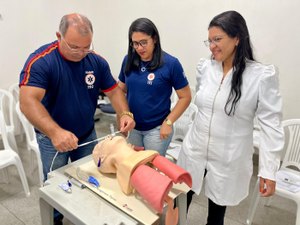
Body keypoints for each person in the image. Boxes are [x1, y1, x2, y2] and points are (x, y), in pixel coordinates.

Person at [19, 13, 135, 225]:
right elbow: (28, 102)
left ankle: (87, 216)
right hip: (52, 140)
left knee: (91, 178)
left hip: (86, 133)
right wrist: (55, 132)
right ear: (58, 36)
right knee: (56, 186)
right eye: (74, 47)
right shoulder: (42, 61)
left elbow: (115, 92)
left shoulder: (96, 61)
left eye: (86, 47)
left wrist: (124, 113)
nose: (81, 53)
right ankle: (55, 219)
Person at [177, 10, 284, 225]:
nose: (212, 46)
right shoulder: (206, 68)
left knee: (216, 213)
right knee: (180, 201)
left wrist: (268, 170)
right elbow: (204, 105)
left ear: (237, 38)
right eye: (209, 40)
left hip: (227, 157)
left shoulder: (259, 77)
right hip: (195, 149)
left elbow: (271, 125)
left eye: (218, 39)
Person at [118, 18, 192, 156]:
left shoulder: (171, 64)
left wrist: (169, 122)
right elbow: (120, 91)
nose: (139, 48)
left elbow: (185, 97)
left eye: (144, 42)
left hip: (157, 130)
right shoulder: (128, 60)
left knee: (152, 171)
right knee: (133, 166)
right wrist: (123, 116)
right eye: (135, 43)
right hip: (133, 128)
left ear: (155, 39)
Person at [92, 135, 192, 225]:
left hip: (142, 157)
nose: (108, 136)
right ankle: (169, 206)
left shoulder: (141, 155)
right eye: (102, 144)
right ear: (103, 157)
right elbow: (103, 167)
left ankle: (170, 202)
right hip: (131, 166)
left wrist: (129, 148)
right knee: (157, 189)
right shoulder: (127, 168)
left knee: (157, 160)